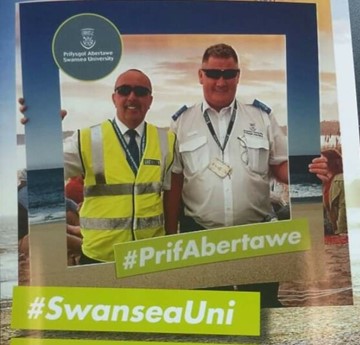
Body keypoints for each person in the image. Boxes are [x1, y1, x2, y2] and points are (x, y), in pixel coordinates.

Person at [164, 43, 328, 308]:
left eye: (229, 74)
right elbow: (175, 183)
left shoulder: (260, 116)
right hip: (203, 238)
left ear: (238, 76)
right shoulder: (181, 122)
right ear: (200, 75)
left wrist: (308, 171)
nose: (221, 81)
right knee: (213, 315)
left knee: (263, 309)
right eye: (213, 73)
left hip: (257, 237)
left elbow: (279, 167)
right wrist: (171, 239)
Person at [22, 69, 175, 265]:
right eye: (124, 90)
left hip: (149, 256)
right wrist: (42, 133)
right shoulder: (87, 139)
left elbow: (170, 196)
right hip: (99, 256)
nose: (132, 97)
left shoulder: (166, 141)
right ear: (114, 98)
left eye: (140, 91)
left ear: (150, 100)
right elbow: (39, 175)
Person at [321, 149, 347, 235]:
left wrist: (341, 232)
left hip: (340, 232)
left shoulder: (341, 180)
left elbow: (343, 207)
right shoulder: (324, 182)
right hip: (331, 231)